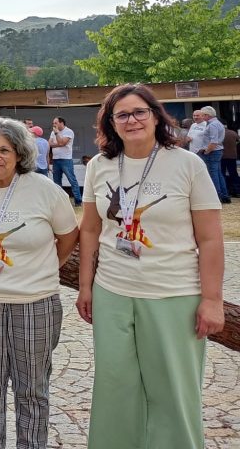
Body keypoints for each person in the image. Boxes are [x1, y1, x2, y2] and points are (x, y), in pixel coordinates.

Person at [76, 84, 224, 449]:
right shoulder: (100, 165)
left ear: (156, 116)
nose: (132, 120)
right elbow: (91, 229)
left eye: (139, 111)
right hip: (113, 291)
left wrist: (212, 299)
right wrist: (85, 287)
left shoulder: (187, 164)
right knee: (114, 386)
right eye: (121, 114)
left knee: (173, 390)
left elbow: (210, 238)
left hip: (172, 292)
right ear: (111, 123)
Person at [0, 117, 78, 449]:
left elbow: (68, 237)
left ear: (19, 154)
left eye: (4, 151)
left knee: (32, 387)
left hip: (35, 302)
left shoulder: (45, 190)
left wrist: (47, 266)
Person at [195, 106, 230, 203]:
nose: (201, 117)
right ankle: (224, 195)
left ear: (207, 115)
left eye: (202, 115)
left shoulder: (212, 125)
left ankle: (217, 196)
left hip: (212, 152)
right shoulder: (218, 123)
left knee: (213, 174)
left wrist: (206, 151)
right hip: (216, 151)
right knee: (218, 173)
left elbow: (213, 141)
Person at [49, 116, 81, 205]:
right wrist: (59, 143)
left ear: (61, 123)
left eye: (55, 123)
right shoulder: (53, 132)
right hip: (55, 160)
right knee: (57, 182)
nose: (54, 125)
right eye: (53, 123)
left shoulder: (69, 131)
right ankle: (60, 202)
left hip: (66, 160)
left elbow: (62, 142)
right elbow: (50, 144)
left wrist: (57, 135)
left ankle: (78, 201)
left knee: (72, 180)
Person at [222, 125, 239, 197]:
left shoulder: (219, 133)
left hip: (222, 157)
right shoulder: (233, 133)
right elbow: (238, 140)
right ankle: (237, 191)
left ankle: (227, 190)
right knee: (234, 173)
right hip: (232, 156)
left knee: (222, 174)